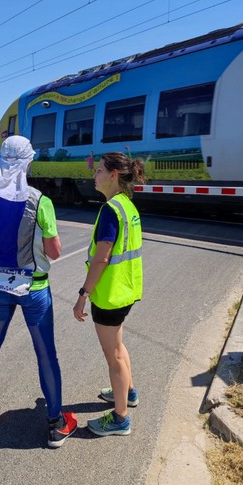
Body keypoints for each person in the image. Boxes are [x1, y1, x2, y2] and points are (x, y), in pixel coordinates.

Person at [0, 135, 77, 448]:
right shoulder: (38, 200)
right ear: (27, 162)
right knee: (46, 353)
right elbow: (55, 252)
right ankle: (55, 422)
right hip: (35, 288)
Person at [73, 152, 145, 436]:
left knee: (113, 355)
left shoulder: (110, 210)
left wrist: (83, 293)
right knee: (119, 345)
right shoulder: (127, 205)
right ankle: (128, 393)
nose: (95, 174)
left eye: (100, 170)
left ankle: (120, 418)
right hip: (126, 290)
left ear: (113, 174)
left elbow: (101, 258)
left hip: (109, 294)